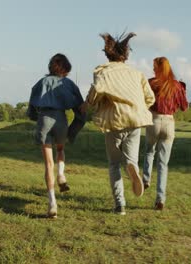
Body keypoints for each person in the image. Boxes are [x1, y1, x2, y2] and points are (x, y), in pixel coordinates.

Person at [82, 32, 155, 215]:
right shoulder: (137, 74)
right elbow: (150, 98)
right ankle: (132, 167)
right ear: (126, 55)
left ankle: (119, 205)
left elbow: (97, 90)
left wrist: (89, 102)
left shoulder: (103, 72)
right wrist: (138, 107)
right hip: (135, 120)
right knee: (131, 158)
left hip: (114, 120)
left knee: (114, 164)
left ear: (108, 54)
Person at [28, 53, 85, 218]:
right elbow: (80, 110)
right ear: (66, 68)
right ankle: (61, 174)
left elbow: (32, 105)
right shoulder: (69, 84)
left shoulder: (41, 82)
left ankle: (52, 203)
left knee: (48, 164)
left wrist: (34, 117)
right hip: (61, 120)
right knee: (60, 149)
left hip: (44, 120)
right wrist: (72, 131)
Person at [142, 57, 188, 210]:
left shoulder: (151, 83)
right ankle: (160, 199)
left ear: (159, 69)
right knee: (163, 164)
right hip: (169, 123)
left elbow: (144, 101)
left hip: (154, 120)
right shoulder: (177, 86)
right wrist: (183, 89)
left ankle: (146, 179)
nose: (153, 69)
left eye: (154, 67)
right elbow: (184, 107)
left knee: (149, 151)